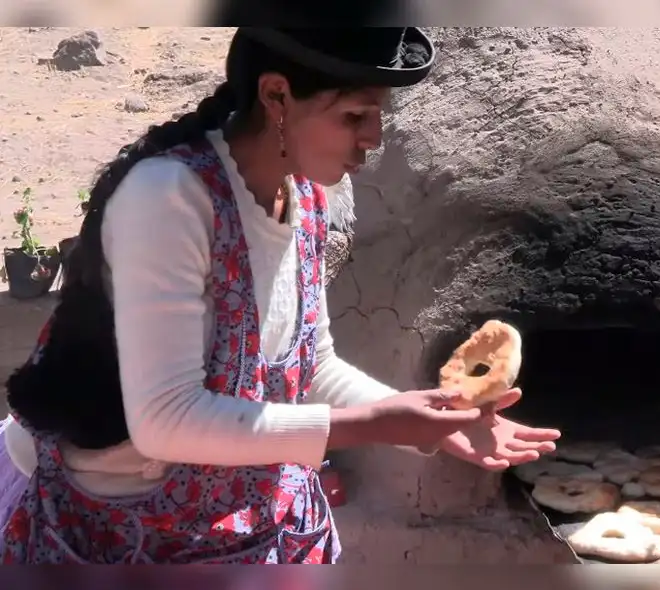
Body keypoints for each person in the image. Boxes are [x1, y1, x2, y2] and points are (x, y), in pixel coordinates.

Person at [0, 27, 560, 564]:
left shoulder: (305, 200)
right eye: (354, 116)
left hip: (227, 520)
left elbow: (309, 368)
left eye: (377, 116)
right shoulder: (170, 198)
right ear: (277, 96)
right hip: (112, 524)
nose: (374, 138)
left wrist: (438, 422)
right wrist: (377, 426)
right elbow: (165, 420)